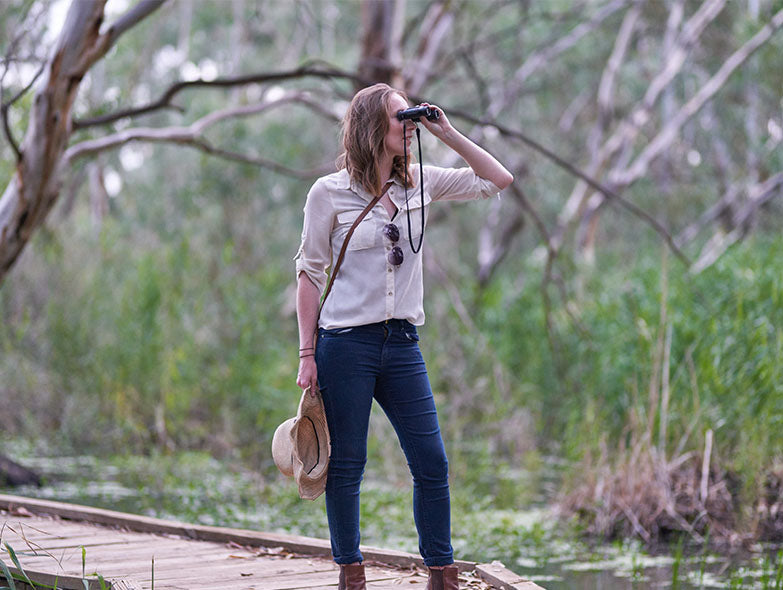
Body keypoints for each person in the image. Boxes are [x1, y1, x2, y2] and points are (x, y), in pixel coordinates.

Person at [294, 83, 513, 590]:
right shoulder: (328, 193)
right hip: (345, 343)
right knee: (348, 463)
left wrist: (447, 131)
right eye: (400, 117)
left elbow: (497, 179)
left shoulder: (420, 182)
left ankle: (442, 573)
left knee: (431, 461)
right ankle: (351, 571)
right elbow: (308, 273)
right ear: (373, 126)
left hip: (402, 343)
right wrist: (307, 353)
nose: (408, 125)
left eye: (411, 117)